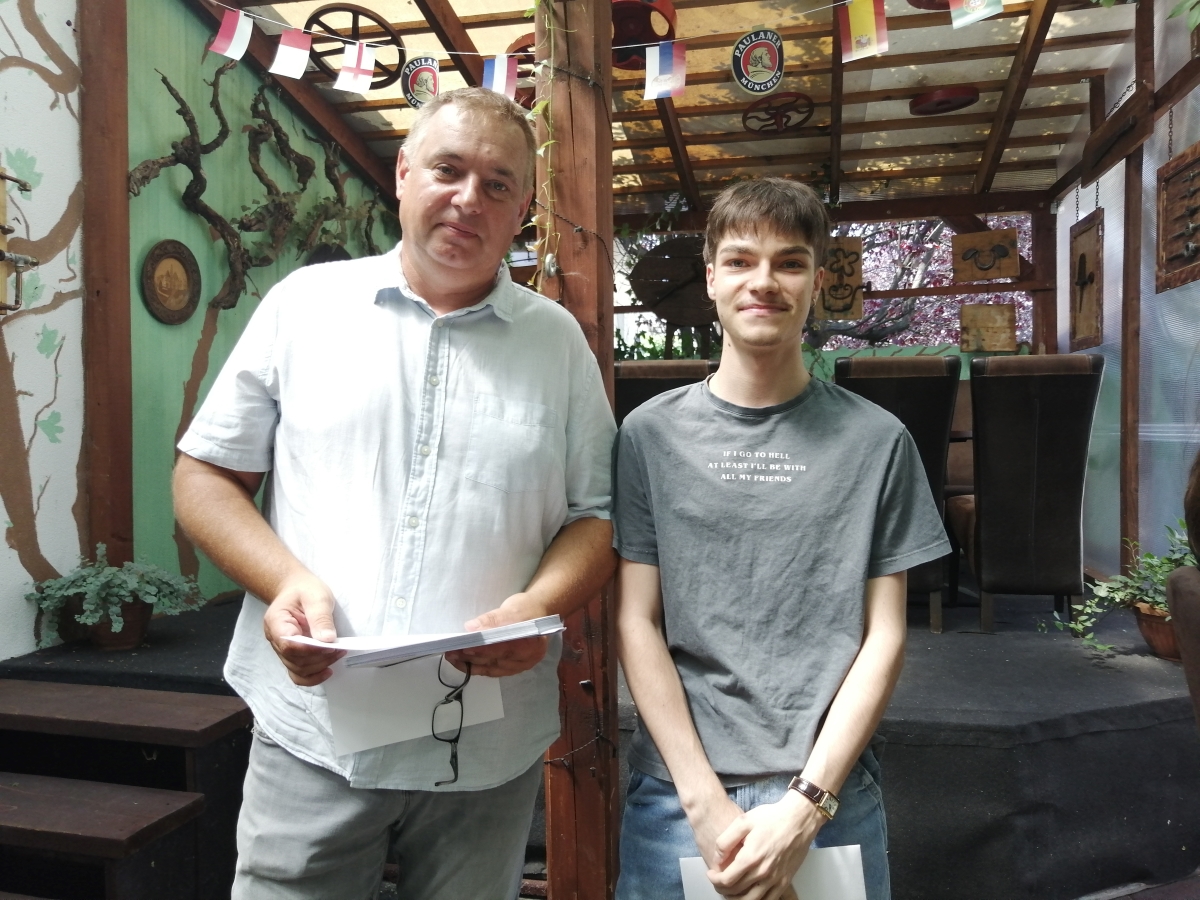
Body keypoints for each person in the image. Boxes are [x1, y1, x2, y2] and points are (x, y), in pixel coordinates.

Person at [173, 87, 617, 900]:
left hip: (484, 743)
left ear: (522, 209)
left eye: (497, 184)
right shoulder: (305, 306)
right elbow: (205, 476)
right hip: (315, 729)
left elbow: (596, 519)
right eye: (448, 170)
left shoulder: (557, 344)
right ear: (404, 173)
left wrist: (538, 605)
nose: (469, 198)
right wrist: (285, 582)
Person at [612, 177, 951, 900]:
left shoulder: (877, 440)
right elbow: (636, 619)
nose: (763, 281)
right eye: (740, 260)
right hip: (677, 796)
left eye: (789, 262)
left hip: (829, 796)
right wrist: (704, 804)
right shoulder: (648, 436)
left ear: (817, 282)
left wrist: (805, 806)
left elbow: (885, 635)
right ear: (710, 278)